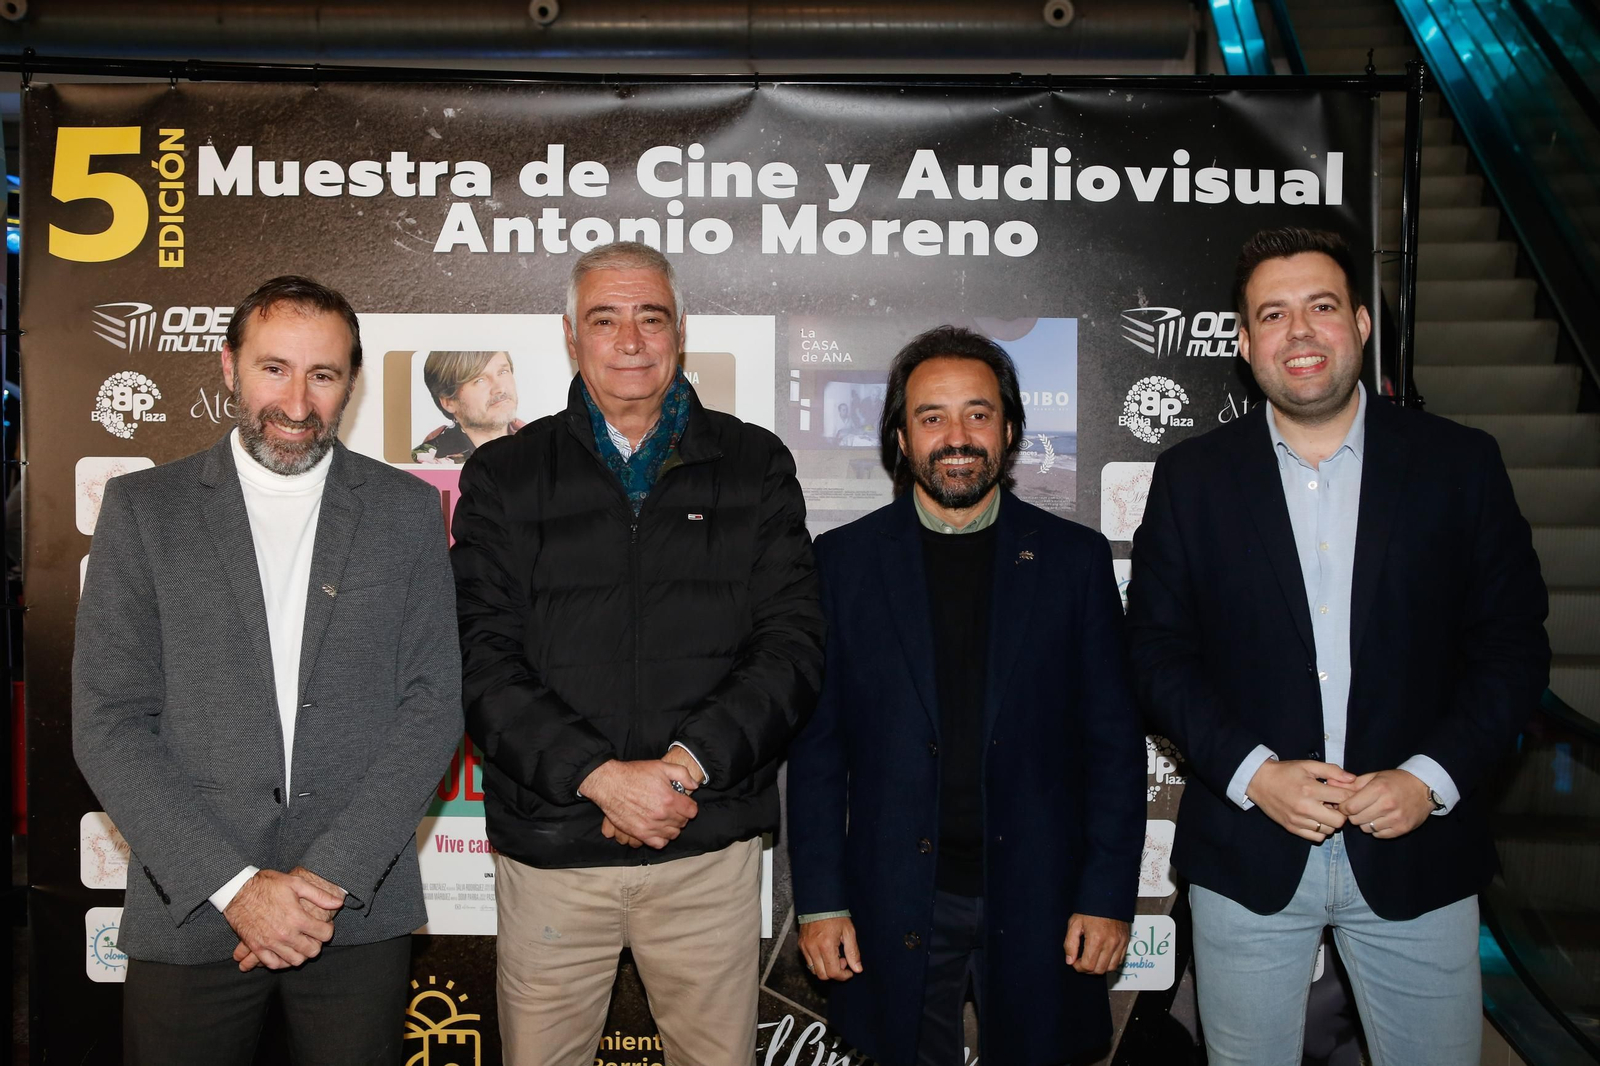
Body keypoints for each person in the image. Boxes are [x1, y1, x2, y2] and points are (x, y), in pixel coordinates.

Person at [1126, 227, 1550, 1066]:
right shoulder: (1192, 478)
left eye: (1321, 306)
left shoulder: (1460, 465)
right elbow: (1154, 652)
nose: (1300, 331)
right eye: (1272, 314)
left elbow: (1512, 649)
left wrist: (1429, 780)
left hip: (1419, 849)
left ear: (1359, 323)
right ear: (1244, 343)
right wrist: (1255, 775)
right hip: (1248, 852)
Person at [72, 275, 464, 1066]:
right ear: (229, 366)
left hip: (352, 911)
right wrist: (237, 889)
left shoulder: (406, 512)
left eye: (322, 375)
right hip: (192, 907)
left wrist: (325, 882)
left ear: (351, 383)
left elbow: (432, 709)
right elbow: (108, 722)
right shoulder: (145, 510)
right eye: (273, 369)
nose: (296, 402)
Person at [451, 241, 825, 1066]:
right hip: (552, 853)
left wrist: (684, 767)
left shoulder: (755, 464)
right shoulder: (505, 474)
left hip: (704, 847)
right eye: (604, 320)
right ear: (570, 336)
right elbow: (479, 655)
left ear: (679, 332)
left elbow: (792, 645)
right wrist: (599, 777)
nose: (629, 341)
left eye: (650, 318)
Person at [787, 326, 1145, 1066]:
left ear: (1009, 432)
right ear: (899, 438)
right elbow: (819, 752)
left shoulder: (1073, 560)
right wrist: (821, 901)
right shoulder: (845, 563)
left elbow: (1113, 746)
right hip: (894, 899)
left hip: (1044, 898)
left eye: (978, 414)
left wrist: (1107, 895)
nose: (957, 437)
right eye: (932, 417)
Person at [412, 349, 525, 463]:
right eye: (480, 380)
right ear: (449, 401)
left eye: (503, 372)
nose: (500, 388)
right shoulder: (426, 463)